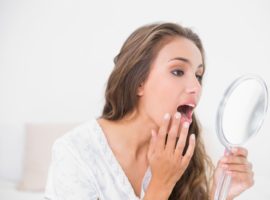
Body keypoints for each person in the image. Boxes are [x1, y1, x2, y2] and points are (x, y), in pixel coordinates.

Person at [44, 22, 254, 200]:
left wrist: (218, 193)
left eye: (198, 75)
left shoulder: (181, 150)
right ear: (138, 82)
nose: (196, 87)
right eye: (178, 71)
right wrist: (161, 183)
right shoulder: (74, 153)